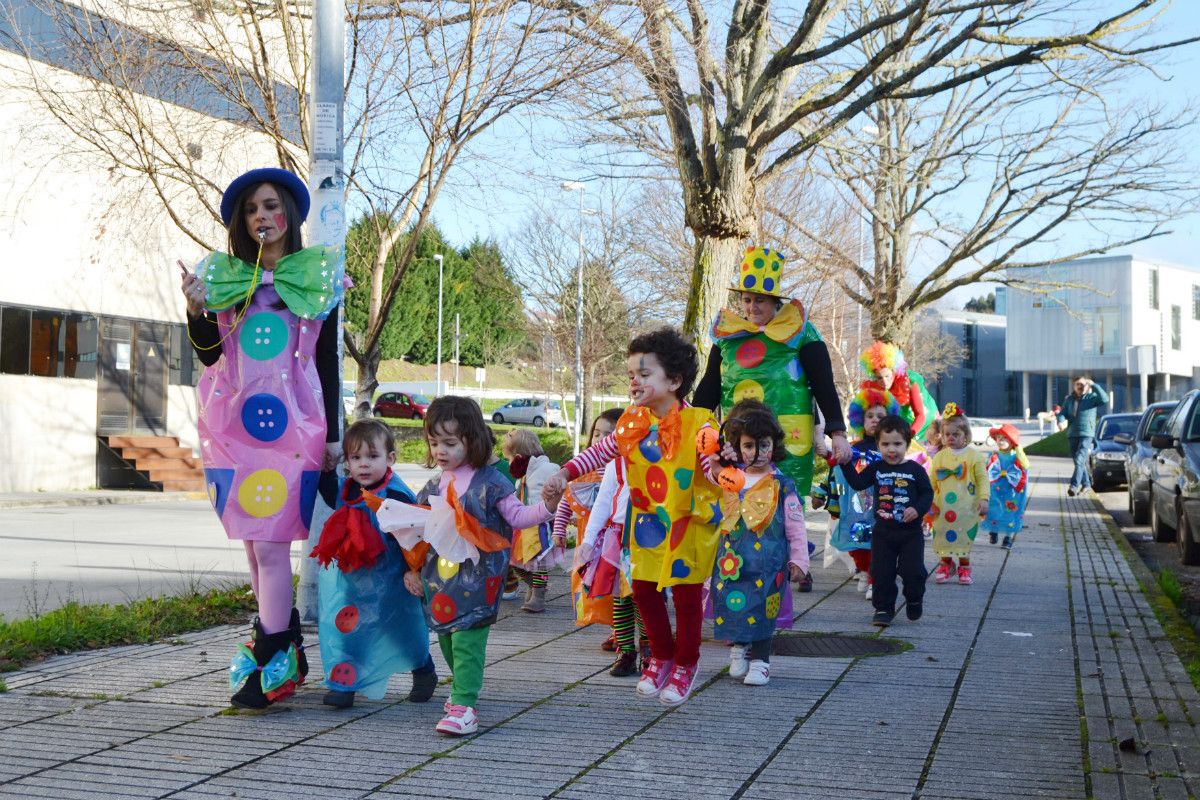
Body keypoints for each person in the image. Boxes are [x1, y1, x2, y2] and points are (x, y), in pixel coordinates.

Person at [181, 167, 345, 709]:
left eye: (271, 206)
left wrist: (335, 437)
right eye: (252, 210)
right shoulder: (225, 280)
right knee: (254, 547)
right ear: (240, 222)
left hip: (295, 425)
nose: (262, 217)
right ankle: (286, 643)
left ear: (289, 216)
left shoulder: (315, 279)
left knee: (273, 545)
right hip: (233, 425)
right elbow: (210, 355)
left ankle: (274, 653)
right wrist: (196, 311)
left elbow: (327, 361)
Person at [542, 328, 721, 707]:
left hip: (687, 525)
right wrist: (564, 474)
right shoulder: (631, 424)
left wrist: (721, 470)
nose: (634, 381)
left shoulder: (700, 422)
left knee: (688, 597)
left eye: (644, 373)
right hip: (645, 526)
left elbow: (711, 458)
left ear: (674, 380)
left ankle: (687, 662)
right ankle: (661, 655)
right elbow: (599, 452)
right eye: (631, 375)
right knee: (642, 590)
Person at [414, 396, 562, 735]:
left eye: (450, 443)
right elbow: (418, 528)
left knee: (468, 639)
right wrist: (410, 568)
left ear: (473, 440)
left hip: (480, 579)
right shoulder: (436, 485)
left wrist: (548, 507)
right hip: (441, 580)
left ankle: (465, 704)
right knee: (449, 640)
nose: (440, 450)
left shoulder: (491, 482)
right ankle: (462, 689)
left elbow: (519, 517)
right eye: (434, 442)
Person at [693, 246, 852, 495]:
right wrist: (694, 425)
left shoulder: (801, 333)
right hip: (738, 441)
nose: (752, 307)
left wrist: (837, 433)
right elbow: (710, 386)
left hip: (789, 440)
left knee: (787, 511)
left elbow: (824, 384)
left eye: (760, 300)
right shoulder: (727, 337)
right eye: (747, 300)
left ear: (775, 302)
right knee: (738, 508)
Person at [310, 420, 436, 709]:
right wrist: (325, 467)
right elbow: (328, 489)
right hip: (351, 581)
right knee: (347, 626)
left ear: (390, 458)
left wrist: (414, 570)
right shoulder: (347, 489)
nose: (363, 465)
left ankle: (423, 668)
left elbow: (415, 537)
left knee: (400, 629)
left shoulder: (396, 494)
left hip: (391, 580)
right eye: (356, 458)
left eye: (372, 456)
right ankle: (345, 683)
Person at [712, 401, 808, 686]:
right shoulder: (730, 480)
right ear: (739, 447)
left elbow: (796, 525)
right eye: (748, 445)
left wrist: (800, 560)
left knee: (765, 609)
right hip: (731, 561)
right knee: (733, 604)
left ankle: (761, 661)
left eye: (763, 444)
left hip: (770, 564)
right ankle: (739, 649)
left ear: (773, 445)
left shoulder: (783, 484)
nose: (755, 452)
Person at [553, 409, 645, 676]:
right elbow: (603, 502)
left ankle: (650, 650)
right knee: (620, 597)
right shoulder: (616, 466)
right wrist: (588, 541)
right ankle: (626, 651)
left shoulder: (656, 462)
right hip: (617, 537)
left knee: (645, 597)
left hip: (646, 536)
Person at [841, 415, 934, 627]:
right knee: (881, 572)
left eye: (897, 444)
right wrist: (845, 464)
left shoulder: (915, 470)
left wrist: (917, 509)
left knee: (913, 571)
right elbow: (857, 482)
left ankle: (914, 597)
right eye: (885, 444)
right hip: (883, 532)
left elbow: (927, 494)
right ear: (878, 445)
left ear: (907, 444)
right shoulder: (876, 468)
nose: (891, 449)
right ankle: (883, 608)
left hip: (910, 533)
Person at [814, 388, 897, 601]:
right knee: (857, 543)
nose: (875, 421)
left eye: (881, 416)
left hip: (882, 507)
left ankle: (874, 580)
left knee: (878, 545)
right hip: (856, 507)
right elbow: (836, 470)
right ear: (860, 419)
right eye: (870, 416)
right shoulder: (852, 448)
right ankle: (864, 569)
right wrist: (822, 492)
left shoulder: (890, 449)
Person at [502, 429, 563, 613]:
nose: (510, 462)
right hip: (523, 523)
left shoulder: (548, 469)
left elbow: (559, 494)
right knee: (514, 561)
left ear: (519, 456)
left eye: (510, 458)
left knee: (539, 562)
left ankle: (539, 594)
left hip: (541, 525)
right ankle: (535, 584)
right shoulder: (523, 473)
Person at [929, 404, 989, 585]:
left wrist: (984, 498)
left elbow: (982, 479)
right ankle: (946, 564)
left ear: (966, 435)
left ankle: (964, 566)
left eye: (956, 434)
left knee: (963, 537)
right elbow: (931, 481)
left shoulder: (973, 457)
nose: (951, 438)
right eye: (947, 434)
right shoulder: (939, 457)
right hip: (942, 507)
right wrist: (927, 501)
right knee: (942, 534)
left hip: (966, 507)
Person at [858, 341, 937, 442]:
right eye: (879, 378)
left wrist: (907, 437)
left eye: (887, 376)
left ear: (894, 371)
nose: (884, 381)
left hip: (925, 426)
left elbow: (921, 416)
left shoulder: (909, 382)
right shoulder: (875, 389)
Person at [1056, 377, 1110, 496]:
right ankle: (1086, 484)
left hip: (1087, 433)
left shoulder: (1092, 398)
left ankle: (1073, 486)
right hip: (1072, 433)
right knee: (1078, 461)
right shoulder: (1069, 399)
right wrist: (1060, 421)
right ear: (1074, 386)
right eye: (1077, 384)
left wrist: (1094, 385)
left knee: (1080, 459)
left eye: (1083, 384)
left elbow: (1105, 399)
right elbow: (1062, 413)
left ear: (1087, 386)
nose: (1080, 386)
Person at [983, 424, 1030, 550]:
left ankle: (1008, 537)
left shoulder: (1017, 456)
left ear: (1012, 441)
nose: (1001, 440)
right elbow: (986, 469)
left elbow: (1026, 465)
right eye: (999, 437)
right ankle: (993, 530)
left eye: (1005, 438)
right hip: (995, 487)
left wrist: (1019, 450)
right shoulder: (993, 454)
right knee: (994, 508)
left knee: (1011, 510)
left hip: (1011, 489)